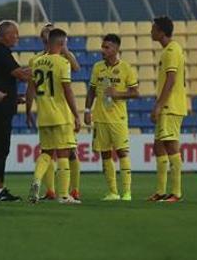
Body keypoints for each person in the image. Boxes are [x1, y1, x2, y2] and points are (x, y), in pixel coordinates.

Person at [26, 28, 82, 204]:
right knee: (64, 154)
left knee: (46, 153)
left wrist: (28, 111)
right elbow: (68, 91)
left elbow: (30, 89)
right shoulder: (62, 63)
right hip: (60, 116)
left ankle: (36, 180)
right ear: (61, 43)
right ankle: (64, 195)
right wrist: (76, 115)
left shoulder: (36, 61)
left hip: (44, 115)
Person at [84, 34, 139, 202]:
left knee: (122, 152)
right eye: (103, 47)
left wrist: (118, 93)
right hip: (100, 117)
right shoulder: (97, 67)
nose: (103, 50)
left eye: (107, 47)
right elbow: (92, 90)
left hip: (118, 118)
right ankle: (113, 192)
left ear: (116, 49)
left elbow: (135, 93)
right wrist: (87, 110)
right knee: (105, 154)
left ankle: (127, 192)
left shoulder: (126, 68)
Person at [0, 21, 29, 202]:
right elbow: (21, 74)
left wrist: (13, 98)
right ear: (5, 35)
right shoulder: (2, 53)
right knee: (1, 149)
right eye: (15, 34)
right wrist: (45, 68)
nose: (17, 37)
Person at [148, 16, 188, 204]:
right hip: (167, 105)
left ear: (161, 32)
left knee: (171, 145)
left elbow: (171, 81)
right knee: (159, 147)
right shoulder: (168, 50)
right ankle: (161, 191)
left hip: (170, 106)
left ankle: (176, 192)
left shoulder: (172, 50)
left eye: (153, 28)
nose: (151, 31)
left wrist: (159, 105)